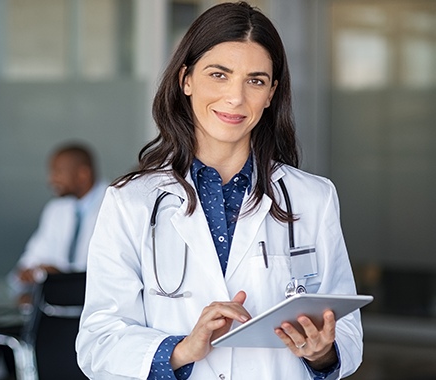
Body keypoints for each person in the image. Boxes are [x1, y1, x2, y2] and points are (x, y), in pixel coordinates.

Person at [76, 2, 363, 379]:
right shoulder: (131, 202)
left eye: (256, 81)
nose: (236, 98)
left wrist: (322, 353)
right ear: (186, 79)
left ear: (272, 92)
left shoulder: (314, 199)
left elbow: (348, 335)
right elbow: (98, 342)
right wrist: (180, 350)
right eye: (219, 74)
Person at [9, 143, 106, 289]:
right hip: (56, 304)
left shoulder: (115, 206)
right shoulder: (56, 210)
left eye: (58, 172)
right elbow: (31, 260)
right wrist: (30, 272)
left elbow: (108, 272)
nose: (51, 180)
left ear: (82, 174)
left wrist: (61, 276)